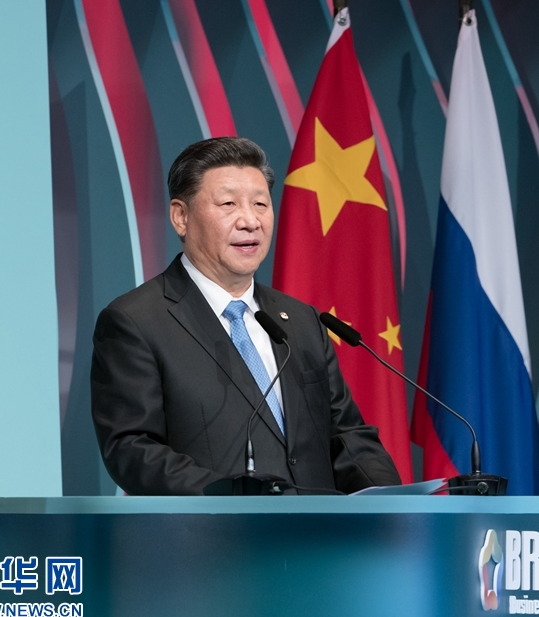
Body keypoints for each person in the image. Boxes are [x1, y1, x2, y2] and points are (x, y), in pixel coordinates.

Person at [91, 137, 401, 495]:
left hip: (317, 529)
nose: (250, 221)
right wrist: (232, 494)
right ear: (181, 217)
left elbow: (347, 436)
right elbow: (132, 450)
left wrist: (392, 502)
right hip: (216, 528)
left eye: (260, 204)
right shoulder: (136, 322)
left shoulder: (301, 321)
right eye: (228, 204)